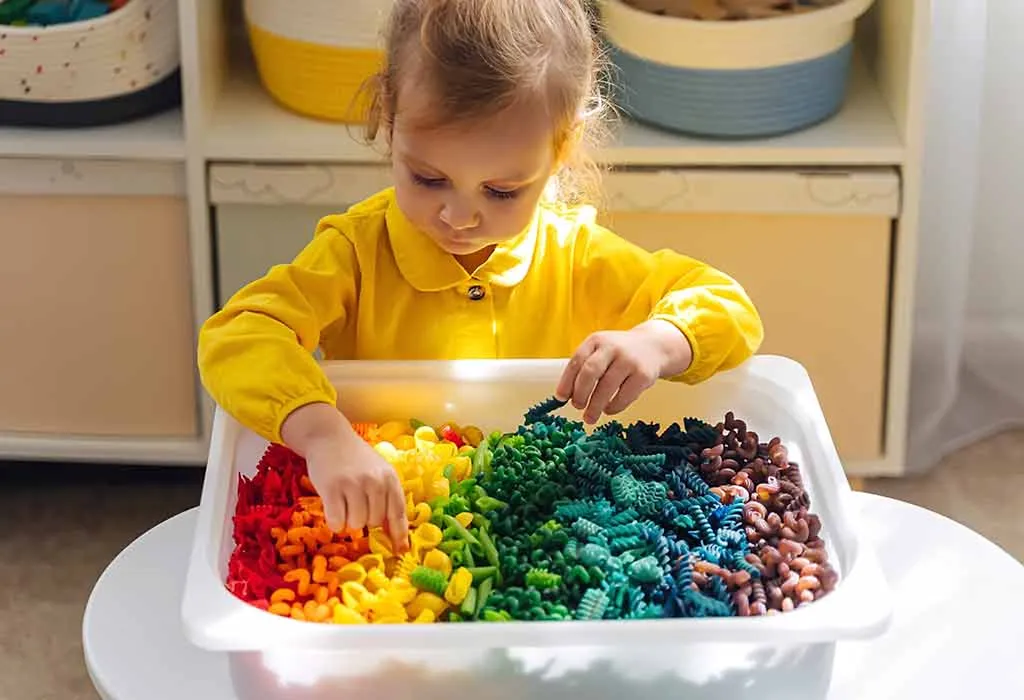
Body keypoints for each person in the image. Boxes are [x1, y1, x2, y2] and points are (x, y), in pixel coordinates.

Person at [197, 0, 763, 552]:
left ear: (560, 149)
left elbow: (728, 307)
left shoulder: (578, 255)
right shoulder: (355, 253)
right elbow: (240, 335)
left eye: (501, 191)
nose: (459, 217)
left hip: (553, 529)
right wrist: (322, 435)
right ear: (388, 121)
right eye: (427, 178)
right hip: (384, 531)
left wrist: (659, 341)